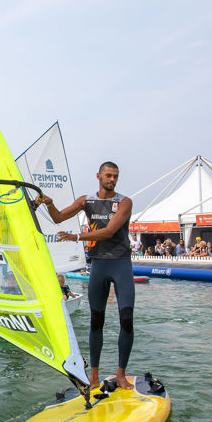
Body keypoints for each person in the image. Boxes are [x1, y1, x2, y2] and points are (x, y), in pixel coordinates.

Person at [36, 161, 135, 391]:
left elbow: (110, 231)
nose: (112, 179)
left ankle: (121, 375)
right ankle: (94, 376)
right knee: (95, 322)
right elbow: (59, 217)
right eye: (108, 175)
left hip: (121, 263)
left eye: (115, 176)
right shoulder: (86, 201)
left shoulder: (125, 202)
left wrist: (76, 237)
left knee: (127, 321)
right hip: (99, 265)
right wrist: (49, 204)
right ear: (98, 176)